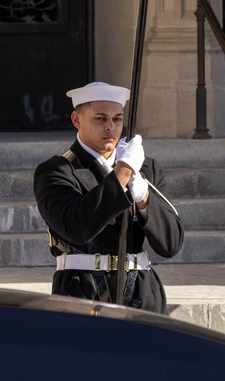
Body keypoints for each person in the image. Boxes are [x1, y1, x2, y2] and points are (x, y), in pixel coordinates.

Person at [33, 82, 184, 314]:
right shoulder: (56, 171)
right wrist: (122, 173)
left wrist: (143, 197)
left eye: (117, 119)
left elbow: (171, 244)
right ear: (76, 120)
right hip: (83, 291)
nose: (110, 127)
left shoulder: (145, 169)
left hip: (142, 294)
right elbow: (77, 227)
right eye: (100, 119)